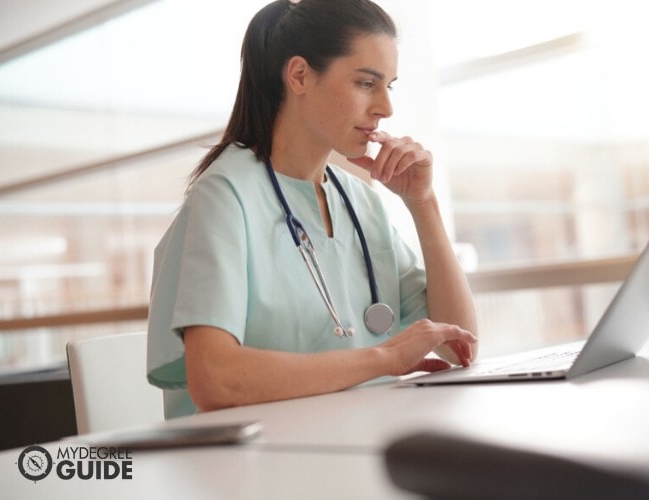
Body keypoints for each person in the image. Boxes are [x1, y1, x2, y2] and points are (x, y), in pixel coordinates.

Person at [147, 0, 478, 418]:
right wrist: (384, 359)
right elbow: (216, 378)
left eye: (388, 86)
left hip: (354, 439)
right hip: (248, 465)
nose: (385, 107)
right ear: (300, 75)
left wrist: (423, 204)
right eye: (365, 83)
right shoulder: (225, 194)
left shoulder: (362, 203)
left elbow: (459, 345)